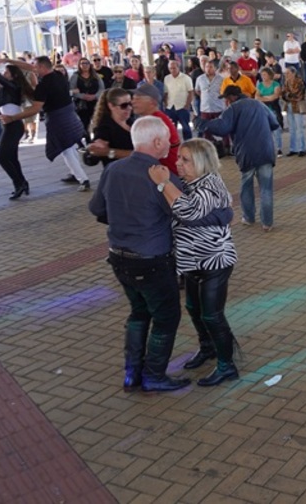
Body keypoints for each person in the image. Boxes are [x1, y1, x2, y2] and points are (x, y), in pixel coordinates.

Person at [88, 116, 192, 393]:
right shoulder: (159, 175)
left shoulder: (113, 170)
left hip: (119, 257)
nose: (170, 146)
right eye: (168, 142)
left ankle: (132, 373)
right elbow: (184, 213)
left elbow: (97, 208)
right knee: (166, 316)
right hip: (152, 259)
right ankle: (154, 374)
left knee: (138, 313)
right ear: (157, 142)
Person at [150, 139, 240, 386]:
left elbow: (188, 212)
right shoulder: (190, 183)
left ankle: (227, 364)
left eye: (185, 160)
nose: (178, 164)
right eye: (179, 158)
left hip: (214, 261)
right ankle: (208, 347)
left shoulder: (209, 185)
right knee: (193, 307)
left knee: (212, 315)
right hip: (192, 261)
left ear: (201, 162)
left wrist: (163, 184)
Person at [0, 56, 90, 191]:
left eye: (35, 66)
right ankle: (77, 174)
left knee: (66, 149)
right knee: (70, 147)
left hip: (58, 119)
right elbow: (29, 67)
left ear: (41, 67)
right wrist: (10, 61)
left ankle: (83, 179)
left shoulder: (44, 86)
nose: (33, 68)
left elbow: (35, 109)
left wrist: (12, 118)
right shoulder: (58, 75)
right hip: (70, 115)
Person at [203, 85, 280, 230]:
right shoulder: (259, 103)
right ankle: (267, 223)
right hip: (265, 150)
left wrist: (205, 124)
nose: (225, 102)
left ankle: (249, 218)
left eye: (226, 98)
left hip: (246, 154)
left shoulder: (233, 108)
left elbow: (222, 128)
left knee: (246, 187)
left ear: (232, 97)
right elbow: (274, 123)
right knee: (266, 188)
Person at [0, 61, 35, 199]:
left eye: (7, 72)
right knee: (12, 157)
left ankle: (19, 183)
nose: (4, 74)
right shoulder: (6, 88)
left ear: (13, 75)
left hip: (14, 126)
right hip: (8, 125)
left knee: (2, 157)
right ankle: (22, 183)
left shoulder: (13, 86)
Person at [86, 87, 135, 167]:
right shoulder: (104, 128)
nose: (129, 108)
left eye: (130, 103)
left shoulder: (131, 121)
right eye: (124, 105)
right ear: (111, 106)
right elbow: (92, 157)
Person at [69, 57, 103, 143]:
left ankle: (98, 138)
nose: (85, 65)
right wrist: (82, 96)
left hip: (95, 102)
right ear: (79, 65)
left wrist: (95, 96)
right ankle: (88, 141)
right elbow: (72, 89)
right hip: (82, 104)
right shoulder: (75, 76)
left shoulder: (95, 75)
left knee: (97, 121)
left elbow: (101, 88)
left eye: (86, 63)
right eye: (82, 63)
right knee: (85, 123)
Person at [163, 60, 194, 141]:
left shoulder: (186, 78)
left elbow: (191, 92)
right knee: (171, 129)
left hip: (182, 107)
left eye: (174, 68)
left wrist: (187, 105)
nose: (172, 70)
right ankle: (174, 146)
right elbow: (166, 92)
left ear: (178, 67)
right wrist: (166, 104)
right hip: (170, 107)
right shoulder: (167, 78)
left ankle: (188, 144)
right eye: (170, 68)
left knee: (186, 128)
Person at [255, 67, 283, 156]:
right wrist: (268, 97)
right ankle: (269, 148)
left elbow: (275, 96)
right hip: (263, 110)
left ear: (269, 75)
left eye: (264, 75)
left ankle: (279, 148)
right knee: (266, 130)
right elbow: (256, 97)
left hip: (274, 109)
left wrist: (263, 98)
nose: (263, 76)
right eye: (262, 75)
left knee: (276, 129)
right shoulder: (260, 85)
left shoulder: (276, 84)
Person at [281, 66, 306, 157]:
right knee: (292, 128)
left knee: (299, 127)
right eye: (285, 73)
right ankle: (293, 148)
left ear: (293, 73)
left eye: (288, 73)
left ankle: (302, 148)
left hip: (297, 106)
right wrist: (288, 95)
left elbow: (298, 94)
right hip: (289, 106)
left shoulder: (299, 81)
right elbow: (283, 94)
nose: (286, 75)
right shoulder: (286, 82)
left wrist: (288, 95)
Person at [195, 59, 225, 137]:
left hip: (218, 107)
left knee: (221, 128)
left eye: (211, 67)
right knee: (206, 130)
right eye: (207, 67)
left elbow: (224, 92)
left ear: (215, 68)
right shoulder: (200, 79)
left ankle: (224, 147)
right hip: (205, 108)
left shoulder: (221, 79)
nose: (208, 69)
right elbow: (197, 91)